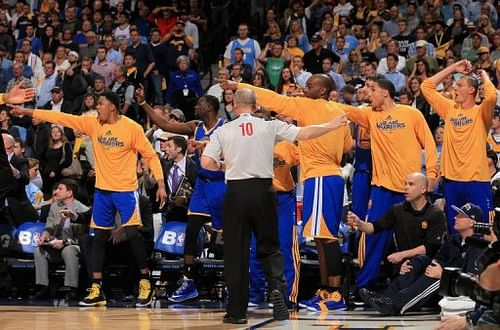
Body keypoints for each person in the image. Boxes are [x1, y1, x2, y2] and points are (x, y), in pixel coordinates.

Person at [201, 88, 349, 324]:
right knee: (270, 247)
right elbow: (305, 133)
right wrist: (332, 125)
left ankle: (237, 311)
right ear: (255, 105)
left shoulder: (224, 130)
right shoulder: (269, 126)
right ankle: (279, 291)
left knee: (237, 252)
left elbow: (206, 163)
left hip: (237, 191)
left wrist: (223, 166)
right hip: (265, 191)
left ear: (235, 106)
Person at [9, 91, 166, 308]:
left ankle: (145, 282)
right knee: (97, 239)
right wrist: (27, 111)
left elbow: (150, 156)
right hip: (102, 191)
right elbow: (61, 117)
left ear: (112, 106)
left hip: (125, 190)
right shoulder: (94, 124)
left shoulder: (132, 127)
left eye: (100, 103)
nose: (96, 107)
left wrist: (160, 183)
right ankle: (96, 288)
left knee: (133, 234)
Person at [339, 77, 438, 290]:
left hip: (410, 190)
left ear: (385, 92)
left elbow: (430, 146)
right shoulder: (368, 114)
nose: (368, 93)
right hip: (382, 189)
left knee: (414, 241)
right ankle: (364, 287)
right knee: (373, 238)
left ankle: (413, 288)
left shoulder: (412, 113)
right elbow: (339, 109)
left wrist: (431, 177)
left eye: (372, 89)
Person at [136, 89, 225, 303]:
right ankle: (189, 281)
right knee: (192, 229)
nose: (196, 107)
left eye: (200, 104)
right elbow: (167, 126)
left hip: (221, 182)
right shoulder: (195, 126)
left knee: (227, 233)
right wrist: (143, 103)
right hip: (203, 186)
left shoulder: (225, 127)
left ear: (210, 108)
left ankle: (236, 280)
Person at [357, 202, 484, 316]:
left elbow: (472, 278)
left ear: (472, 222)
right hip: (440, 287)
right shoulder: (454, 240)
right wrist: (423, 265)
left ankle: (395, 305)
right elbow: (438, 259)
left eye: (461, 216)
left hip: (459, 292)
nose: (455, 217)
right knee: (420, 261)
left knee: (436, 280)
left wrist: (443, 275)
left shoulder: (478, 245)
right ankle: (385, 297)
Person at [421, 60, 496, 232]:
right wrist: (454, 68)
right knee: (455, 230)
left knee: (481, 229)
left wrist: (483, 75)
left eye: (460, 85)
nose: (455, 88)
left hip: (475, 179)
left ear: (471, 90)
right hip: (451, 180)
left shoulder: (481, 112)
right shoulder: (450, 108)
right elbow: (426, 87)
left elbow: (491, 96)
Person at [33, 179, 89, 300]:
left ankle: (72, 288)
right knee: (39, 250)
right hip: (56, 244)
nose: (56, 192)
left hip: (74, 245)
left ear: (70, 193)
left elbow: (82, 239)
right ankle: (43, 287)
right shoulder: (54, 207)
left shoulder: (82, 209)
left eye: (60, 189)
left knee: (68, 250)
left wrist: (64, 242)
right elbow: (48, 227)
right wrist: (45, 236)